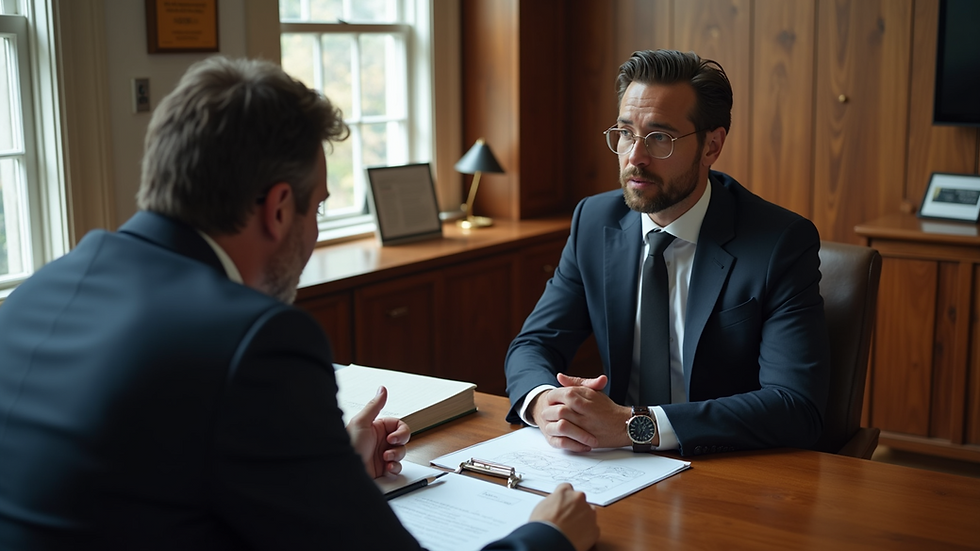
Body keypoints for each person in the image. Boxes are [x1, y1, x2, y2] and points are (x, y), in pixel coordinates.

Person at [0, 56, 598, 551]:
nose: (312, 230)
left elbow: (146, 471)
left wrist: (327, 462)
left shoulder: (38, 292)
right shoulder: (253, 339)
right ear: (278, 207)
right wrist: (544, 538)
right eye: (317, 209)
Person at [505, 49, 831, 457]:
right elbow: (533, 344)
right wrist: (542, 403)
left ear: (712, 146)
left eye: (660, 137)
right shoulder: (594, 221)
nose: (635, 157)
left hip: (725, 465)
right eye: (625, 133)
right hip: (613, 465)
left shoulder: (779, 243)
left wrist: (632, 425)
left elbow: (795, 406)